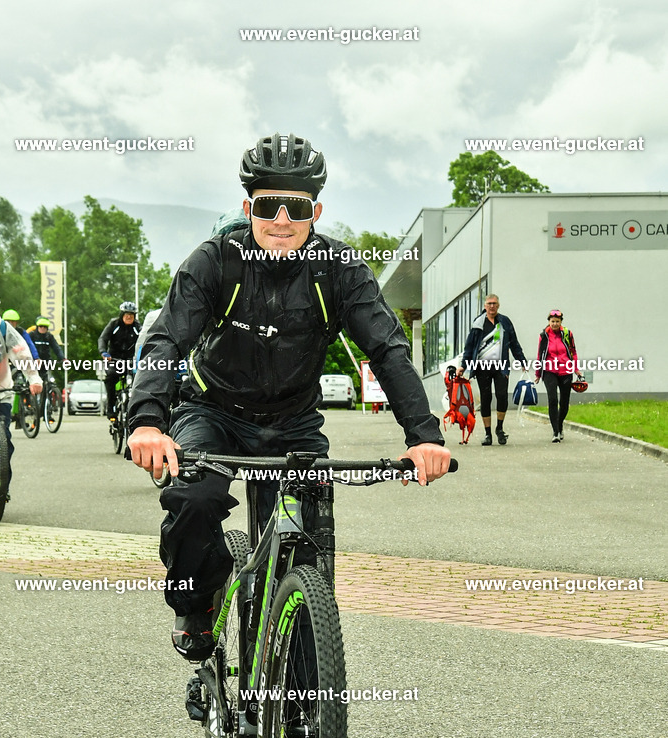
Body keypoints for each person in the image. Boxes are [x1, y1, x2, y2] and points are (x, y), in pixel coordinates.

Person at [127, 131, 453, 661]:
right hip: (213, 412)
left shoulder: (339, 270)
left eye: (296, 207)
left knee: (305, 536)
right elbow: (166, 339)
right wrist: (147, 422)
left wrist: (424, 437)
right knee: (193, 499)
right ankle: (201, 602)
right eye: (268, 204)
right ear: (247, 206)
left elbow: (388, 349)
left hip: (293, 423)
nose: (281, 218)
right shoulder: (215, 261)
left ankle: (304, 689)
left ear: (316, 211)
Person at [0, 292, 43, 477]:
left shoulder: (3, 329)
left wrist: (34, 379)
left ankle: (1, 485)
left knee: (4, 439)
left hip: (2, 390)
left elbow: (22, 354)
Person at [458, 294, 526, 446]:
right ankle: (488, 433)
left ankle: (499, 429)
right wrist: (463, 365)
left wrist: (522, 360)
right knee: (486, 398)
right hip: (482, 367)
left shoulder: (505, 322)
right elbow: (469, 347)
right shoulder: (478, 323)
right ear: (485, 306)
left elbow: (514, 343)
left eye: (494, 303)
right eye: (489, 304)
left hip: (501, 367)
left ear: (498, 305)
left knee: (502, 396)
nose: (492, 306)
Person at [535, 309, 582, 442]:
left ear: (561, 322)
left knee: (564, 403)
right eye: (552, 321)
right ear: (549, 321)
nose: (554, 324)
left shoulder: (567, 334)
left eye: (557, 321)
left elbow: (573, 351)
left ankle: (560, 424)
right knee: (553, 400)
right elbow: (540, 354)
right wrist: (538, 373)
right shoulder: (543, 335)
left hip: (566, 370)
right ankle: (555, 432)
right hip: (549, 370)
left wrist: (576, 369)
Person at [98, 302, 142, 419]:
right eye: (127, 314)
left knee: (140, 381)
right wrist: (103, 352)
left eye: (132, 315)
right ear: (122, 315)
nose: (129, 317)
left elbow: (144, 341)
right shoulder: (114, 324)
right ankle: (110, 408)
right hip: (114, 359)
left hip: (130, 361)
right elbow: (102, 338)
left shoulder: (137, 327)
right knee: (111, 378)